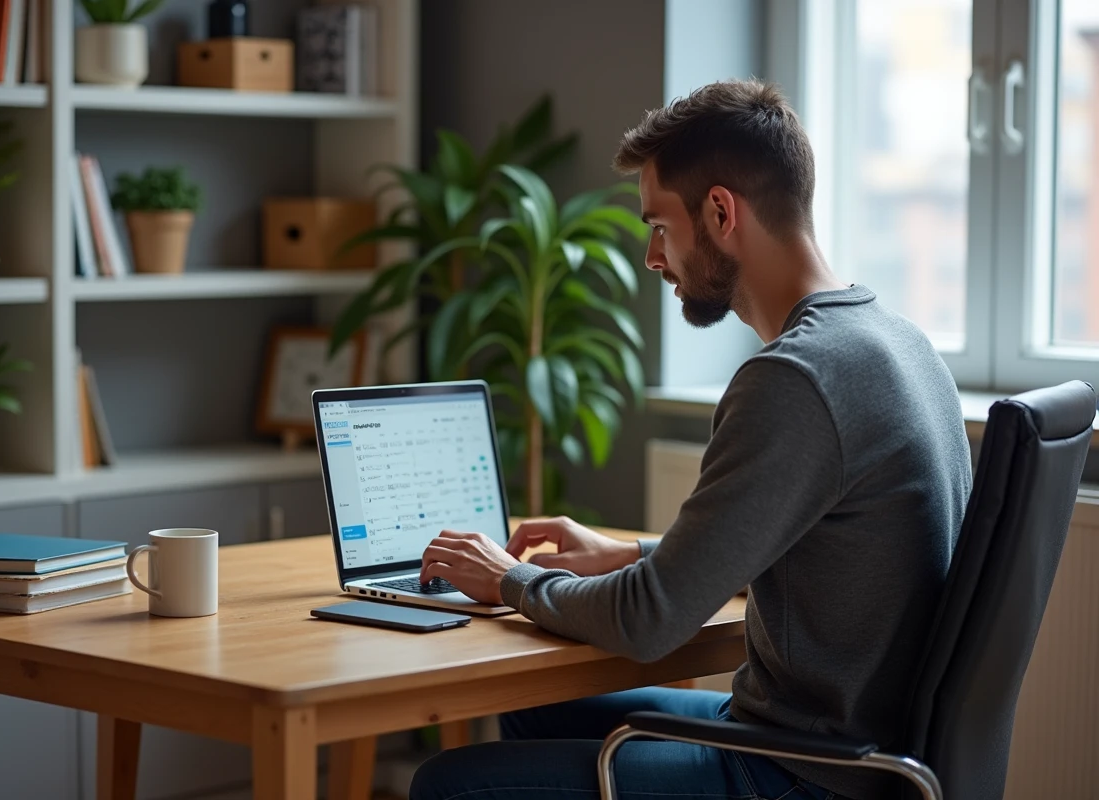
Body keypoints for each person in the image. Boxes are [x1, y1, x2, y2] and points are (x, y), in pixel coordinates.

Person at [410, 80, 971, 800]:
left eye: (659, 226)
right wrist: (636, 555)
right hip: (860, 752)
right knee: (534, 710)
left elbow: (650, 623)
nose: (652, 256)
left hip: (804, 773)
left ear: (719, 211)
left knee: (447, 785)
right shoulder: (897, 341)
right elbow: (824, 552)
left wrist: (510, 580)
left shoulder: (795, 379)